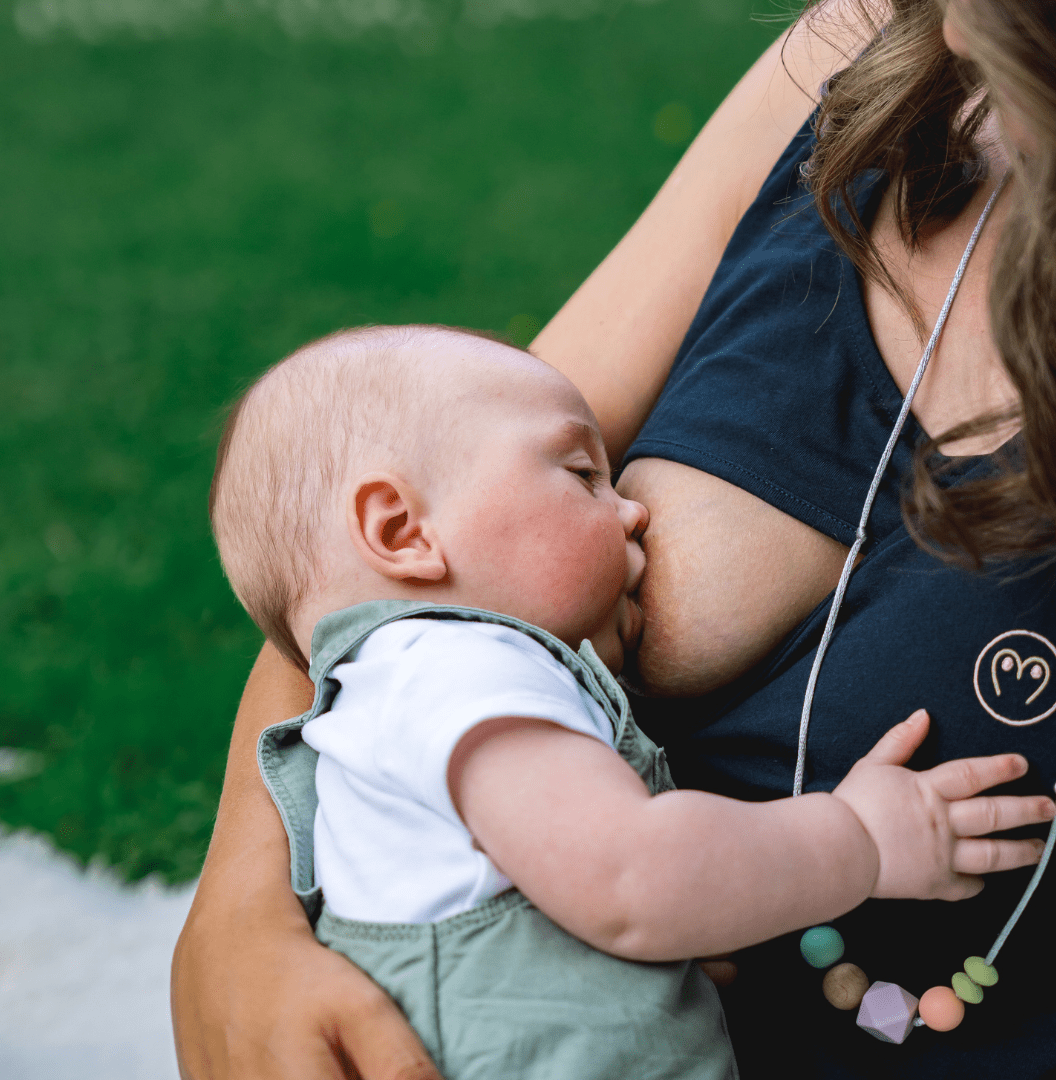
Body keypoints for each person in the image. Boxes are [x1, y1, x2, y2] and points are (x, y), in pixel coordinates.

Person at [171, 0, 1056, 1076]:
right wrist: (238, 919)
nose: (629, 505)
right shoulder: (871, 42)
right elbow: (392, 545)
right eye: (588, 475)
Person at [204, 323, 1047, 1079]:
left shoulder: (409, 691)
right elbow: (632, 875)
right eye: (582, 474)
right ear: (403, 533)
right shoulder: (452, 667)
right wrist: (860, 839)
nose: (635, 511)